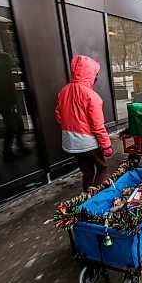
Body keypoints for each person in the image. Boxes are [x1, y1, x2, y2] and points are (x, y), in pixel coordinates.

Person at [55, 55, 112, 193]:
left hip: (70, 142)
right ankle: (96, 199)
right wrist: (106, 145)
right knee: (102, 168)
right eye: (95, 74)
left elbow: (58, 116)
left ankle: (86, 196)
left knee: (87, 172)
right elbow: (98, 125)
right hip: (88, 141)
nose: (96, 77)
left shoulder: (63, 91)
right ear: (90, 74)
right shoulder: (91, 96)